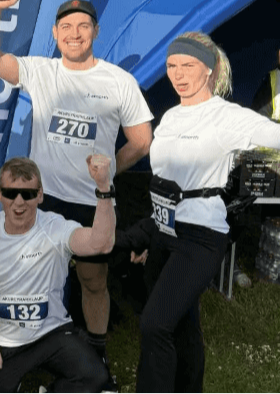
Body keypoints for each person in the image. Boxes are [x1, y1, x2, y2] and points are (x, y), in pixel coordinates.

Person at [0, 0, 154, 389]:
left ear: (95, 31)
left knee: (94, 281)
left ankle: (96, 348)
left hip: (92, 202)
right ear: (56, 34)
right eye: (66, 27)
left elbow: (142, 140)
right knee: (38, 274)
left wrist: (109, 175)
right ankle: (37, 344)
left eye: (83, 26)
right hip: (45, 200)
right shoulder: (42, 71)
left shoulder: (118, 81)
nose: (74, 34)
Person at [135, 32, 280, 394]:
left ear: (210, 71)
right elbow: (163, 181)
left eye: (188, 65)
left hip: (201, 236)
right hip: (164, 229)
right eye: (171, 66)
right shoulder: (169, 118)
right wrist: (152, 234)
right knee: (182, 325)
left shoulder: (227, 117)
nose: (178, 74)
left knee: (155, 325)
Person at [0, 156, 115, 394]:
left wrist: (104, 188)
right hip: (3, 340)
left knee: (95, 377)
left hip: (51, 334)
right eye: (10, 193)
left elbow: (101, 244)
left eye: (27, 194)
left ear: (40, 195)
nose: (18, 202)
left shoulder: (56, 227)